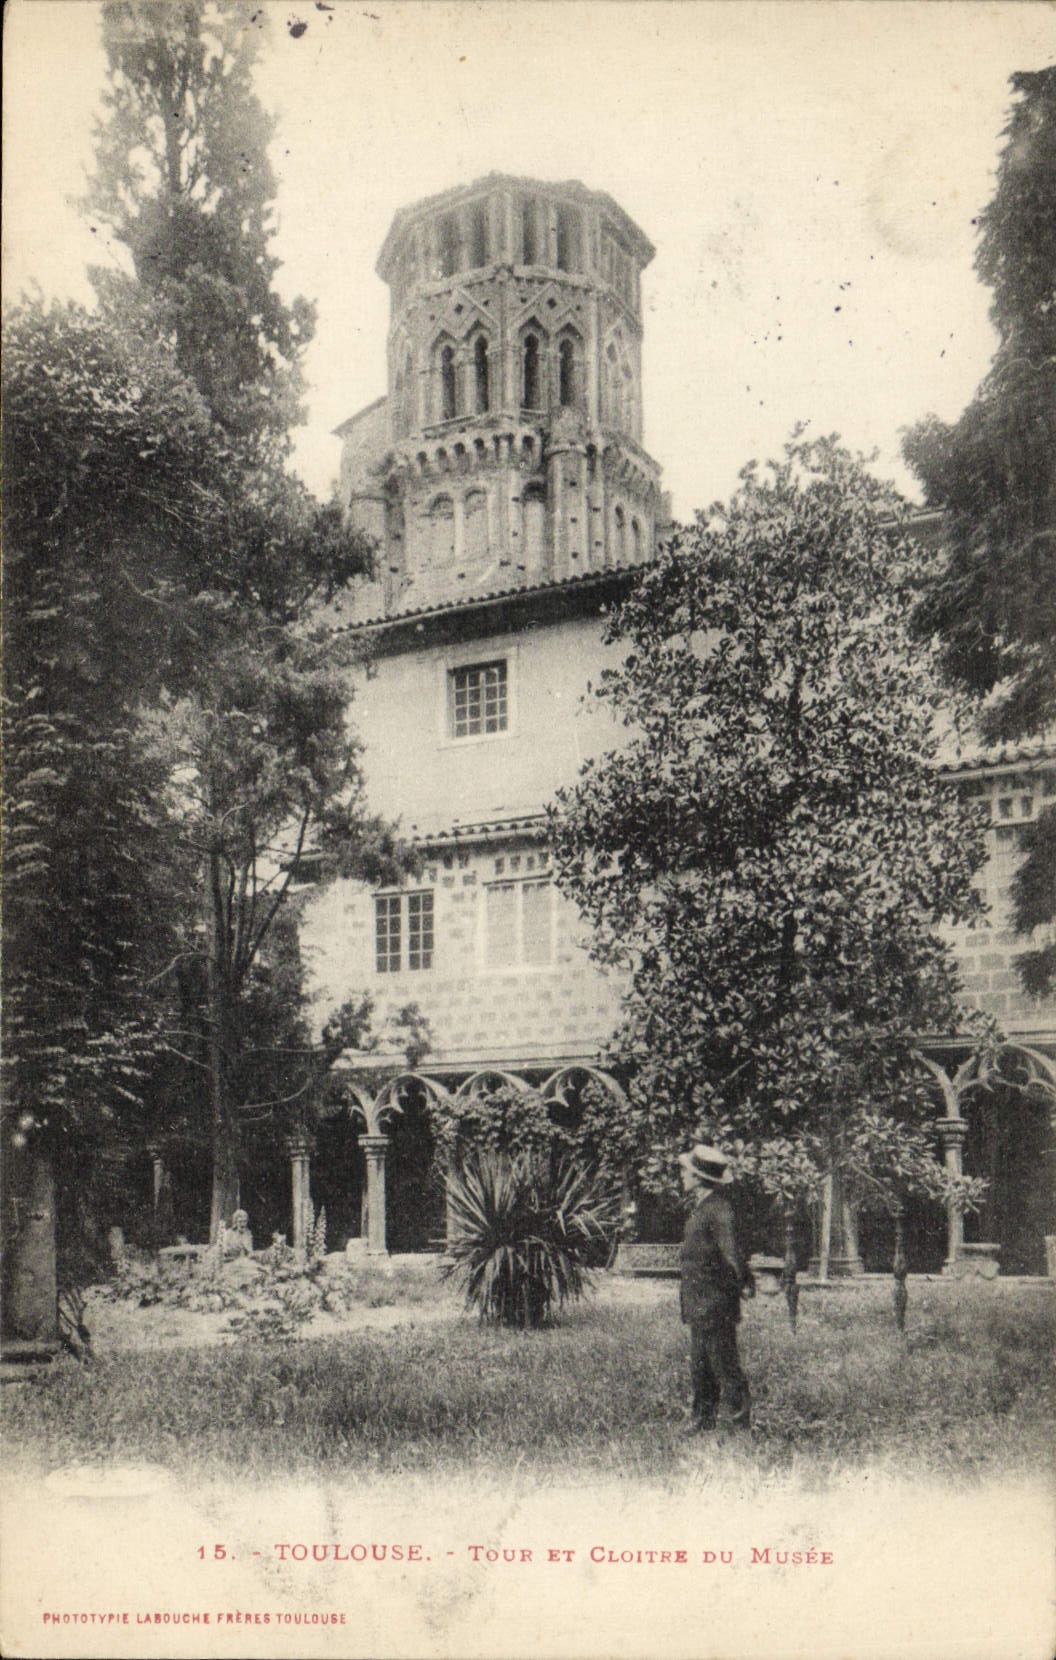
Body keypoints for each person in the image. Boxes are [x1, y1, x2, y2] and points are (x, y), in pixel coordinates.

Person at [678, 1143, 753, 1433]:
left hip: (714, 1303)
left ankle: (740, 1421)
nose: (682, 1176)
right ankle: (702, 1419)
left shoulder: (719, 1210)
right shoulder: (703, 1207)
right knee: (701, 1366)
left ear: (698, 1177)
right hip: (700, 1302)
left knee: (725, 1365)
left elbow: (732, 1254)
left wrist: (733, 1292)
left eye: (686, 1172)